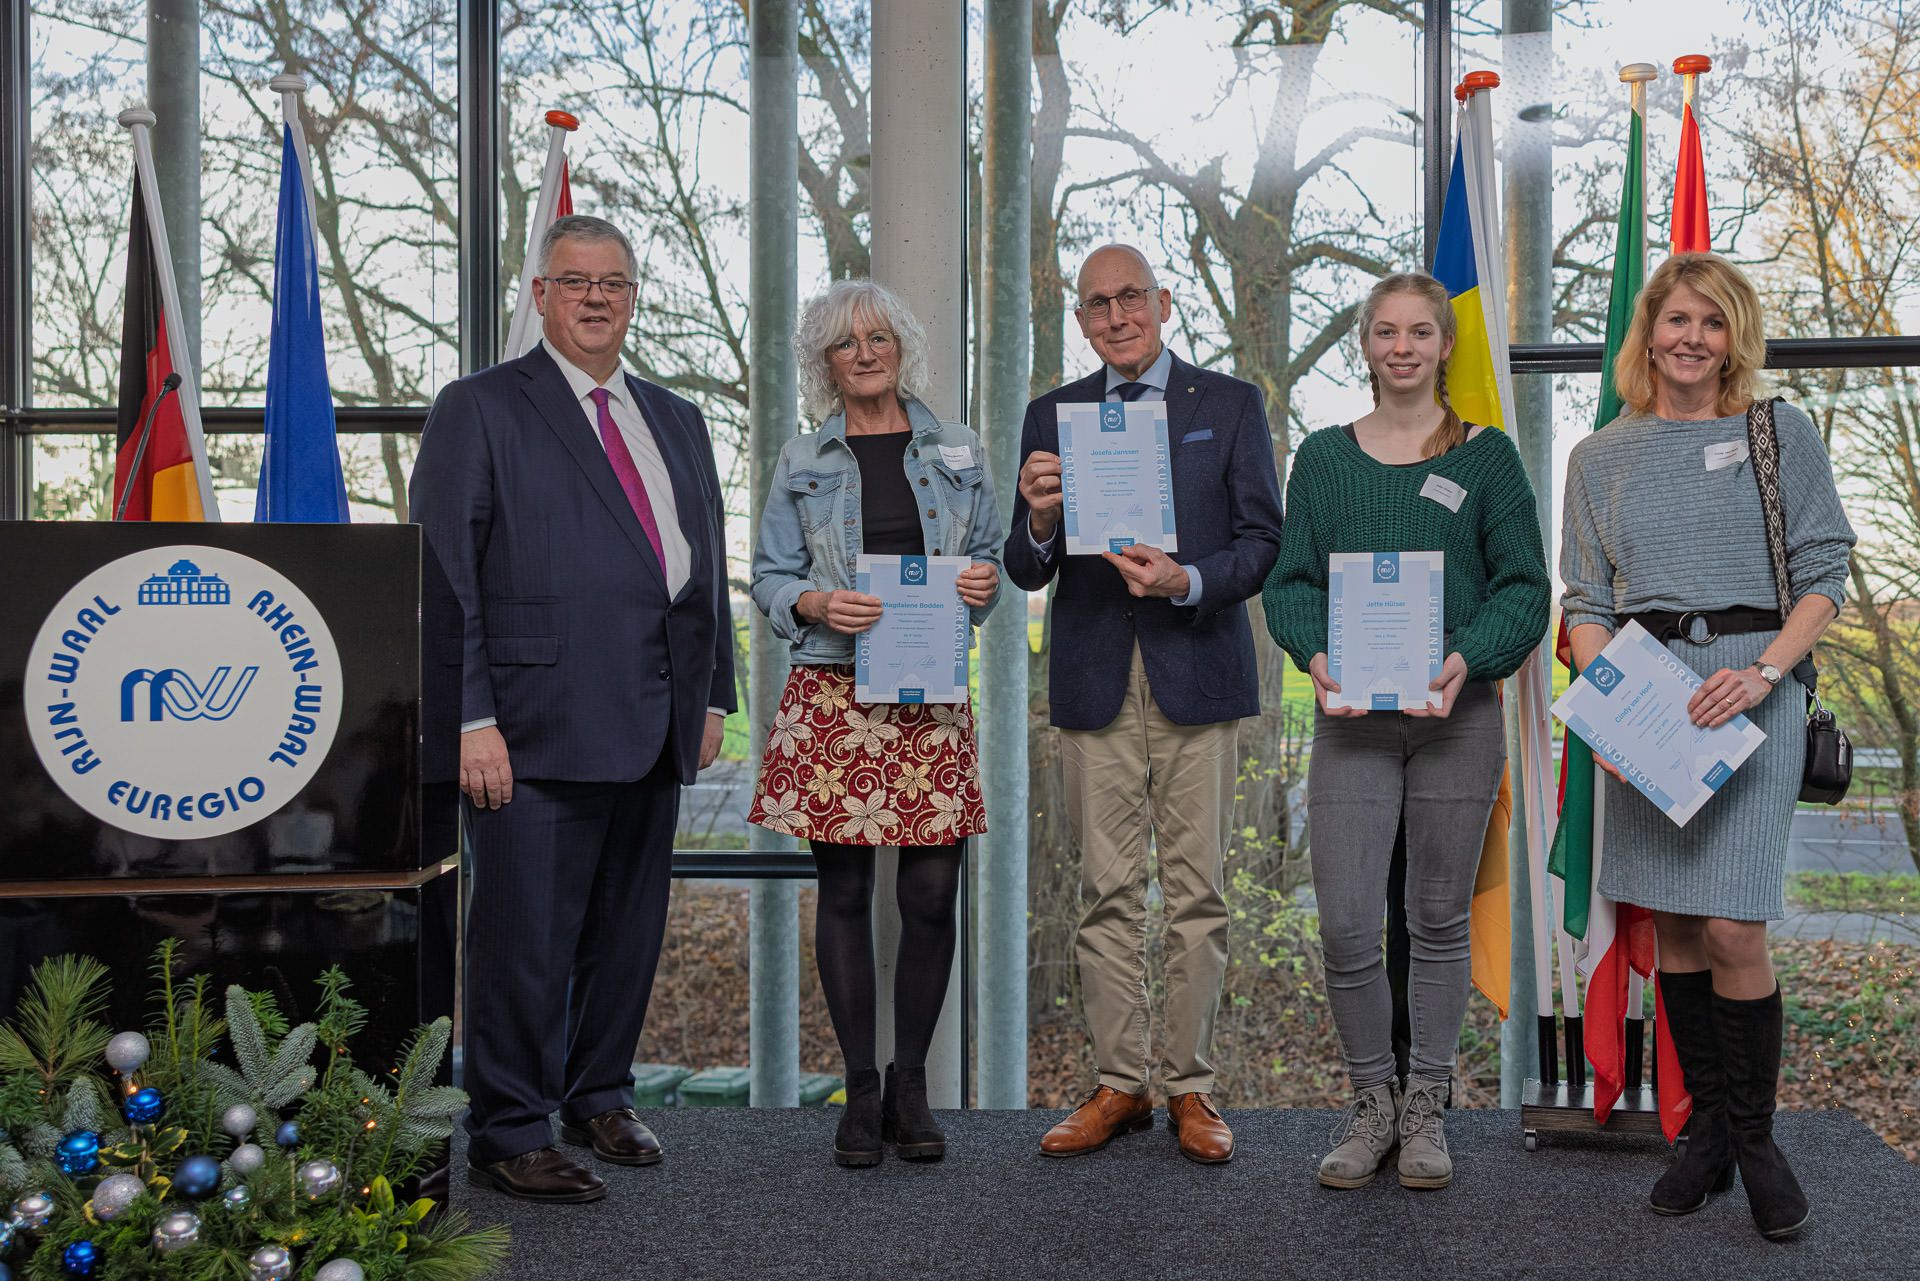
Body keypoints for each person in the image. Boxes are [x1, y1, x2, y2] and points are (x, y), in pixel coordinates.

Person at [411, 214, 735, 1203]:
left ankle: (598, 1092)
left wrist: (716, 691)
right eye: (576, 280)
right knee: (524, 941)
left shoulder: (677, 417)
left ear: (633, 297)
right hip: (531, 726)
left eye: (614, 282)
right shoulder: (479, 407)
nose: (597, 297)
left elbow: (704, 568)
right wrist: (469, 718)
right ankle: (509, 1127)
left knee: (626, 933)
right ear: (542, 295)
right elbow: (443, 574)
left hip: (657, 716)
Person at [1561, 252, 1854, 1240]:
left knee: (1734, 927)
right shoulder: (1597, 457)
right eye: (1677, 319)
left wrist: (1764, 673)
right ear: (1648, 334)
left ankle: (1755, 1139)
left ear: (1735, 339)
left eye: (1713, 322)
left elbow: (1825, 574)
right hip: (1648, 701)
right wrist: (1607, 706)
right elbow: (1586, 602)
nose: (1692, 338)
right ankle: (1708, 1136)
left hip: (1752, 694)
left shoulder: (1779, 433)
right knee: (1679, 926)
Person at [1263, 270, 1550, 1191]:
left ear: (1444, 345)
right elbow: (1289, 582)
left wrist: (1468, 656)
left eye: (1419, 331)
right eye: (1385, 331)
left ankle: (1426, 1106)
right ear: (1366, 345)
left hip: (1456, 721)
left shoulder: (1486, 459)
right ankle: (1371, 1103)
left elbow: (1524, 587)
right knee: (1348, 923)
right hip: (1352, 724)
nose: (1402, 347)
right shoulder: (1323, 459)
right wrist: (1315, 654)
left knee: (1435, 918)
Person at [1006, 244, 1283, 1165]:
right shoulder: (1053, 414)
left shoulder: (1229, 404)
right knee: (1105, 892)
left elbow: (1263, 542)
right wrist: (1041, 517)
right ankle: (1119, 1083)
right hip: (1095, 678)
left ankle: (1190, 1086)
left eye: (1131, 297)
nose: (1117, 315)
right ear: (1081, 320)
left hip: (1196, 667)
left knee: (1198, 892)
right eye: (1097, 303)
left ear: (1164, 303)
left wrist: (1185, 579)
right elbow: (1024, 565)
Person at [747, 279, 1002, 1168]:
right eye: (847, 342)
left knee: (931, 895)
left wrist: (983, 583)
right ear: (825, 361)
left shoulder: (960, 448)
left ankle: (911, 1084)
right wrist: (815, 601)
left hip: (930, 693)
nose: (866, 353)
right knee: (847, 894)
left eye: (879, 337)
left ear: (901, 347)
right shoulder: (801, 458)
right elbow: (768, 576)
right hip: (834, 689)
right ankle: (860, 1089)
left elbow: (988, 563)